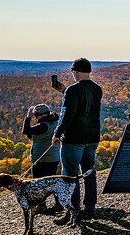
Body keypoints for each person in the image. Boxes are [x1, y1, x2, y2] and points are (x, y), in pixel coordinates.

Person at [53, 58, 103, 218]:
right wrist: (64, 91)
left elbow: (68, 114)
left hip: (74, 138)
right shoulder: (97, 89)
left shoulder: (73, 90)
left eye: (72, 71)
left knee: (69, 175)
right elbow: (84, 103)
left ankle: (73, 211)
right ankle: (90, 207)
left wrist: (57, 133)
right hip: (93, 137)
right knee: (89, 172)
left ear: (75, 71)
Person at [21, 103, 61, 177]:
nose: (36, 118)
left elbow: (26, 131)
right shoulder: (56, 122)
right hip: (55, 157)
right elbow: (36, 137)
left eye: (36, 115)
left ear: (40, 115)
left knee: (38, 183)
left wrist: (28, 117)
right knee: (50, 183)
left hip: (41, 159)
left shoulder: (43, 126)